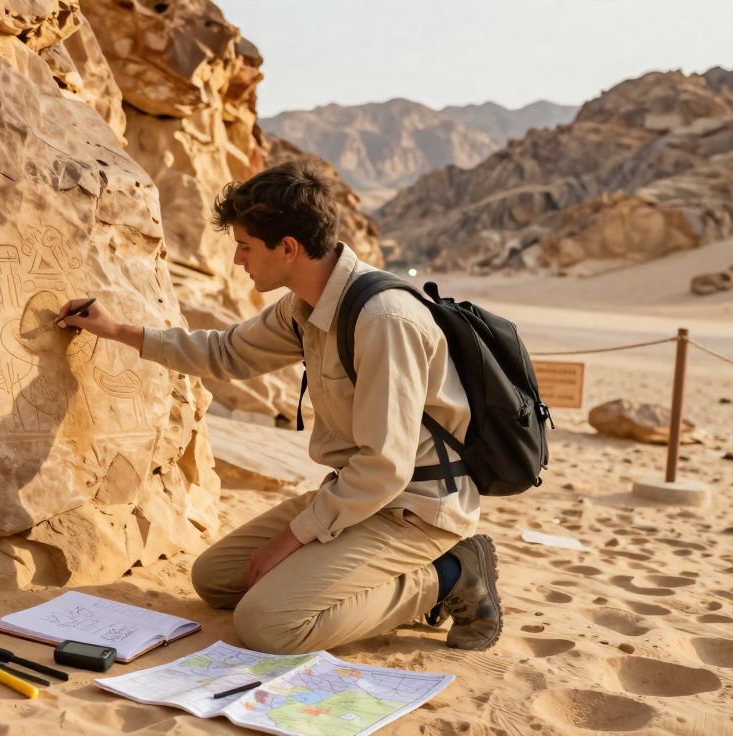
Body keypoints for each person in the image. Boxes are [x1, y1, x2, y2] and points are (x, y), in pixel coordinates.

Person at [55, 159, 502, 653]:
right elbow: (226, 353)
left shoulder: (383, 321)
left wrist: (292, 537)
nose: (238, 260)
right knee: (217, 580)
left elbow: (384, 466)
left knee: (267, 624)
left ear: (287, 248)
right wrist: (117, 330)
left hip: (414, 508)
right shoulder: (305, 306)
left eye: (245, 247)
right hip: (358, 497)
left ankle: (448, 574)